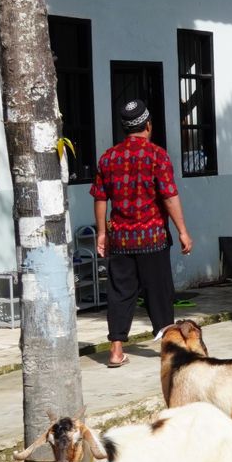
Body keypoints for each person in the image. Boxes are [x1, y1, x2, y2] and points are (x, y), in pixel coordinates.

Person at [91, 99, 192, 367]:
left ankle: (115, 350)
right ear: (148, 125)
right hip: (152, 239)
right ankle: (168, 348)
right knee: (159, 292)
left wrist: (102, 233)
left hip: (121, 239)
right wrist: (182, 230)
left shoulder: (108, 158)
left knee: (119, 293)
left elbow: (100, 198)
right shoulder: (157, 155)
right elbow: (169, 196)